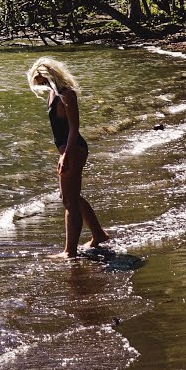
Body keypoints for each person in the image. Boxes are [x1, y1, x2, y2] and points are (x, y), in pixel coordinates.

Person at [27, 56, 109, 260]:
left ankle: (69, 251)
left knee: (69, 202)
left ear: (51, 76)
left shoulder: (66, 94)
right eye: (40, 84)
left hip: (74, 150)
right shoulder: (52, 94)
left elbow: (74, 128)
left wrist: (65, 155)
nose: (43, 86)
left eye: (44, 82)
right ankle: (98, 234)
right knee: (71, 197)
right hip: (68, 150)